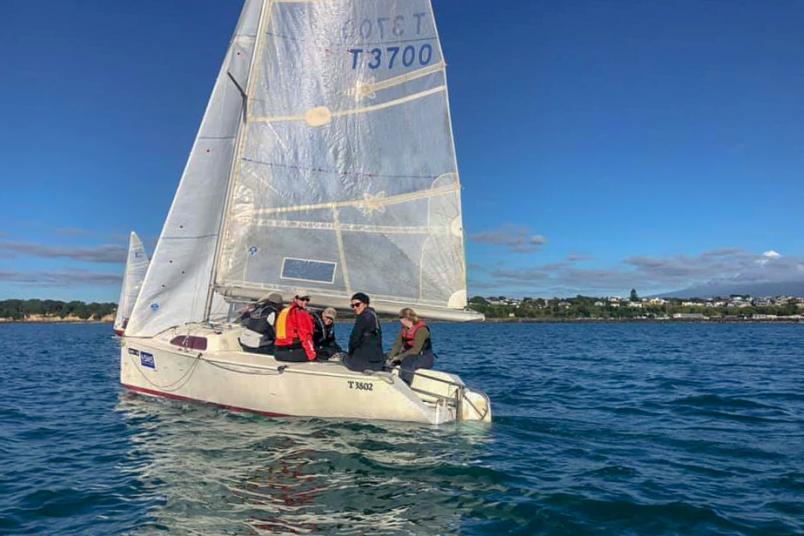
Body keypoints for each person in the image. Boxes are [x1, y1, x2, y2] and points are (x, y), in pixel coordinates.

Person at [387, 308, 435, 384]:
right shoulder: (405, 329)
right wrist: (390, 357)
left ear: (406, 318)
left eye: (401, 318)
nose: (400, 321)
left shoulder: (422, 330)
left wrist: (399, 357)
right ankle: (385, 381)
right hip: (408, 354)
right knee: (386, 359)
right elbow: (397, 344)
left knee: (408, 362)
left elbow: (416, 350)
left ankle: (405, 385)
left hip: (424, 357)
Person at [343, 292, 384, 372]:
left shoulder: (363, 317)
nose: (355, 307)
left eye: (357, 304)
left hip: (364, 364)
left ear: (365, 304)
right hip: (377, 362)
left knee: (343, 358)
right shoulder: (374, 316)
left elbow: (354, 339)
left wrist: (349, 354)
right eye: (352, 306)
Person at [274, 292, 316, 362]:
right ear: (296, 299)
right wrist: (312, 355)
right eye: (302, 299)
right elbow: (306, 336)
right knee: (317, 353)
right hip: (290, 352)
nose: (305, 302)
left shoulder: (285, 311)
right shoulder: (302, 314)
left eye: (307, 299)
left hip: (278, 353)